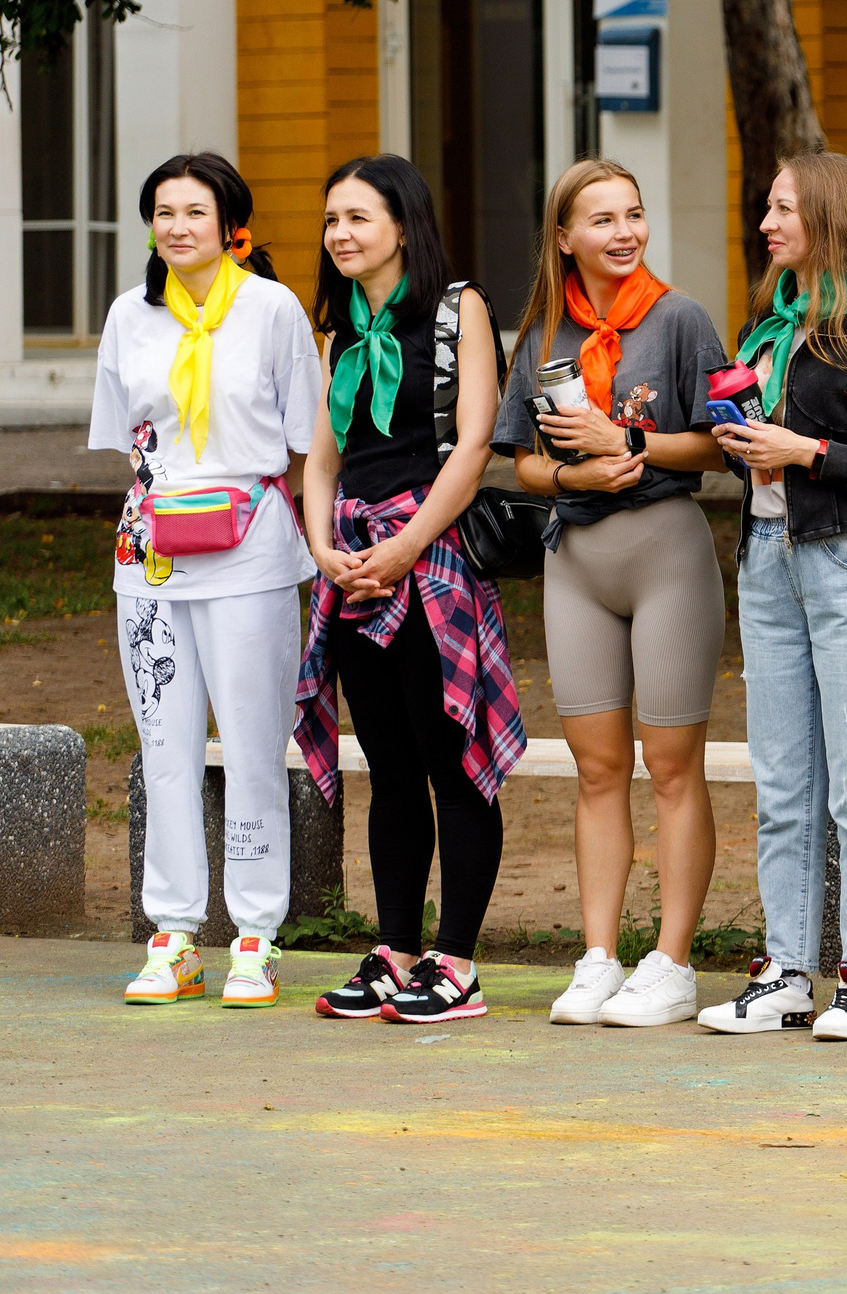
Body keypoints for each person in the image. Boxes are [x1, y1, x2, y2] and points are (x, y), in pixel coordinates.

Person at [696, 152, 847, 1042]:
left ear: (831, 218)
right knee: (784, 783)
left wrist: (807, 455)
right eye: (767, 207)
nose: (767, 223)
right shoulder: (770, 328)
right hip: (768, 561)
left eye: (784, 208)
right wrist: (741, 438)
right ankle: (788, 972)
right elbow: (754, 449)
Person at [492, 158, 730, 1029]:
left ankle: (671, 963)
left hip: (665, 551)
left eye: (634, 215)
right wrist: (572, 474)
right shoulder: (543, 333)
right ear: (564, 239)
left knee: (671, 768)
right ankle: (598, 958)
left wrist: (623, 435)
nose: (624, 232)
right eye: (602, 220)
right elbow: (518, 459)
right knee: (596, 770)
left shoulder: (680, 320)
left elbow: (718, 445)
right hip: (576, 559)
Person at [297, 155, 524, 1024]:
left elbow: (473, 448)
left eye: (358, 217)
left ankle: (456, 963)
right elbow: (322, 458)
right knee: (388, 769)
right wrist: (325, 548)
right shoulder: (341, 330)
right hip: (355, 565)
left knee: (453, 763)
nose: (341, 235)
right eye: (332, 221)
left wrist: (404, 547)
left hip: (429, 561)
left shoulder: (458, 307)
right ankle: (395, 951)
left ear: (403, 224)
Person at [92, 152, 321, 1008]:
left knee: (256, 746)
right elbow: (132, 439)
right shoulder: (129, 316)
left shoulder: (271, 309)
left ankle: (255, 935)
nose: (179, 226)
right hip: (149, 561)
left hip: (253, 556)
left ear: (232, 225)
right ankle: (175, 933)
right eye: (164, 212)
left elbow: (306, 437)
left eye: (197, 211)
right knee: (166, 751)